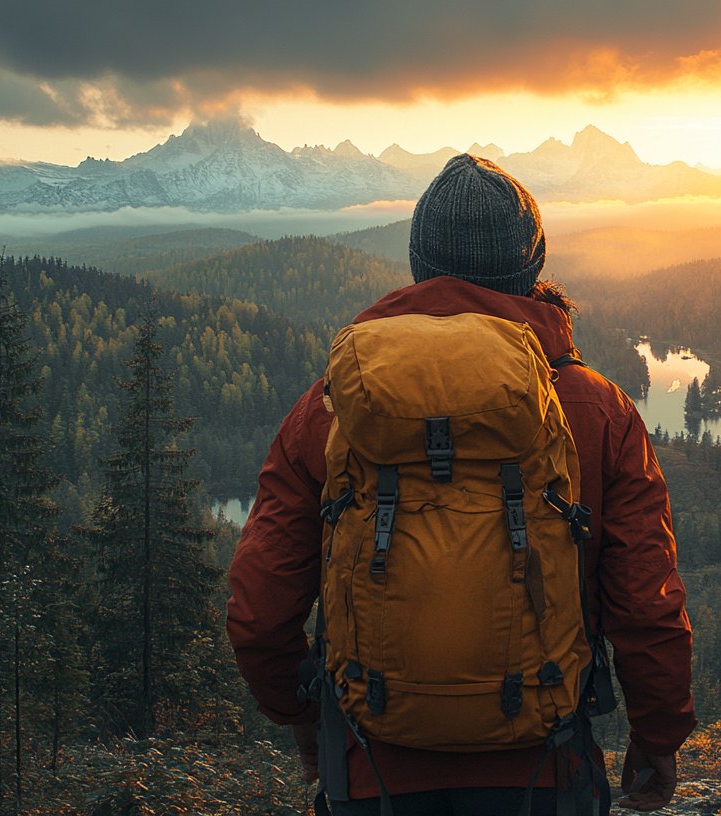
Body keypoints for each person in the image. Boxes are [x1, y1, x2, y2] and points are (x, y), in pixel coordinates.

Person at [226, 154, 694, 815]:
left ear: (420, 265)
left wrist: (304, 714)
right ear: (530, 270)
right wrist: (659, 734)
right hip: (544, 775)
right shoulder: (593, 409)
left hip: (371, 773)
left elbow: (257, 614)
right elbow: (646, 604)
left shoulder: (331, 409)